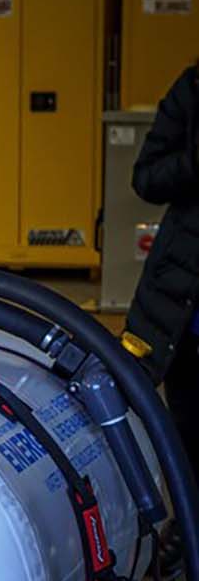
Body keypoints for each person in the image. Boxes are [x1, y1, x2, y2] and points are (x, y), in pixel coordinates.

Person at [126, 64, 199, 472]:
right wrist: (193, 162)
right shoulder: (193, 88)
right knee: (188, 433)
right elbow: (146, 179)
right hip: (184, 311)